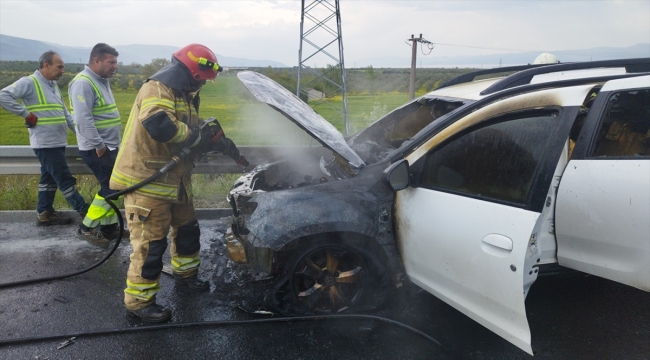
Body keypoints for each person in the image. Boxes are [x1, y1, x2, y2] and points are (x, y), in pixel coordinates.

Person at [110, 44, 248, 322]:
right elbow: (161, 126)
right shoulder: (157, 88)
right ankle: (139, 302)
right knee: (150, 247)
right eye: (202, 78)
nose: (204, 84)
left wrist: (210, 143)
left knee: (188, 232)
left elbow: (187, 137)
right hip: (147, 184)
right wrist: (198, 138)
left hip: (176, 182)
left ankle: (186, 275)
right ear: (190, 72)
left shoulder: (184, 94)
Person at [0, 51, 89, 226]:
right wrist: (26, 114)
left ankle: (44, 213)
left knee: (48, 179)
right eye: (60, 66)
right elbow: (3, 95)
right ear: (46, 65)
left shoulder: (53, 86)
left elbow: (65, 115)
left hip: (57, 141)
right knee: (64, 178)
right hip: (45, 143)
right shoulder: (29, 82)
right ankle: (86, 213)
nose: (63, 70)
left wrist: (82, 135)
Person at [69, 43, 127, 247]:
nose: (115, 66)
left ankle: (109, 228)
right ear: (96, 61)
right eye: (111, 62)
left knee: (112, 187)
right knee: (111, 190)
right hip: (98, 149)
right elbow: (83, 120)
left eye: (116, 62)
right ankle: (86, 227)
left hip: (108, 147)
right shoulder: (83, 82)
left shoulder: (101, 80)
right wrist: (99, 145)